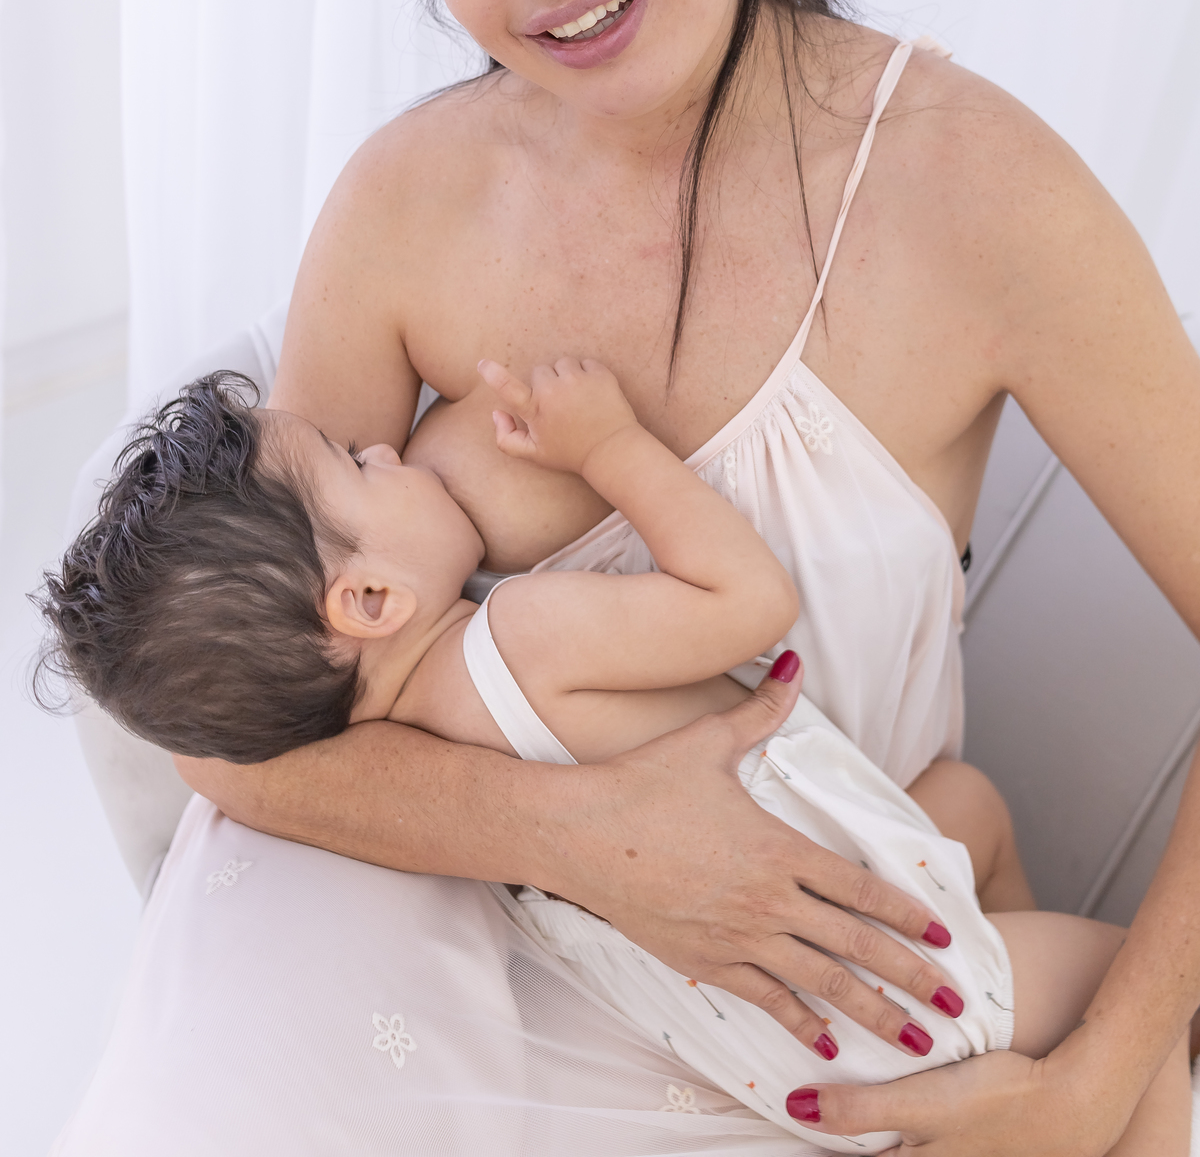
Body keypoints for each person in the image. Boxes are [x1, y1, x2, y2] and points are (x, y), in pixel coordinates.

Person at [51, 0, 1200, 1154]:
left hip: (808, 974)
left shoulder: (969, 189)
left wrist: (1107, 1073)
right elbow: (233, 705)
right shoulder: (410, 202)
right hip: (467, 909)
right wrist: (587, 837)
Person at [38, 357, 1191, 1152]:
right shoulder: (525, 636)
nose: (387, 441)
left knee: (969, 803)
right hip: (890, 998)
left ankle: (995, 982)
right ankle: (1025, 1060)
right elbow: (748, 599)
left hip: (787, 1040)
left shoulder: (404, 750)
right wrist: (615, 447)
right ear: (374, 596)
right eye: (357, 462)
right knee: (1140, 1015)